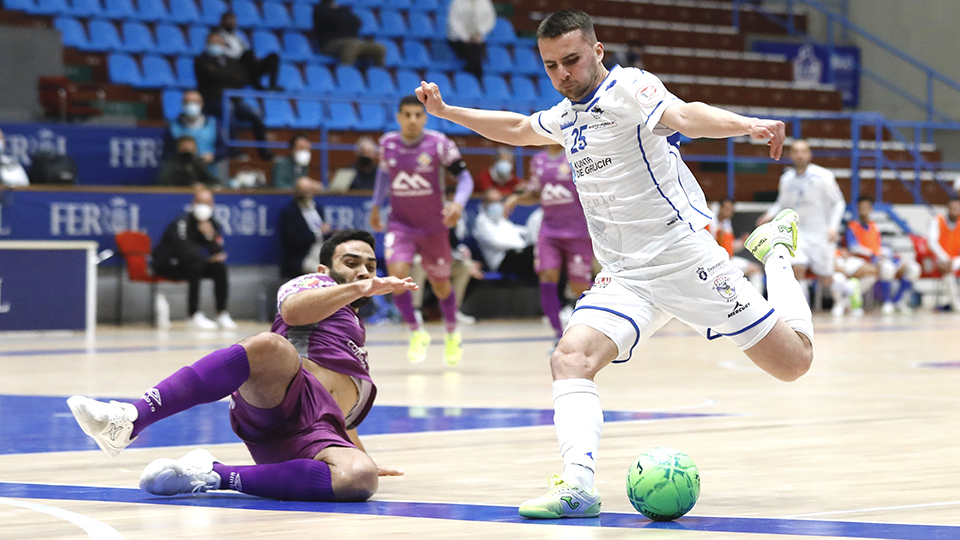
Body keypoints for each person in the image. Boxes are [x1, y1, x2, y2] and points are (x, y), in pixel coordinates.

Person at [415, 9, 812, 519]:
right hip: (625, 275)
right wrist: (448, 112)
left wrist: (748, 125)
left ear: (598, 52)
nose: (563, 75)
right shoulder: (567, 114)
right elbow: (516, 126)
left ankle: (776, 251)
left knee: (794, 363)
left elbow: (686, 116)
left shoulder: (631, 89)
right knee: (570, 357)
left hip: (681, 259)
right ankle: (577, 486)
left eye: (573, 61)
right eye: (552, 65)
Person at [66, 230, 414, 502]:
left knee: (359, 478)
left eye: (370, 265)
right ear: (324, 269)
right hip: (281, 400)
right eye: (351, 262)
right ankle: (130, 418)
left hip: (313, 432)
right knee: (268, 345)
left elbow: (340, 412)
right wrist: (359, 287)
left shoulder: (354, 327)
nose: (362, 271)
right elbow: (293, 311)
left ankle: (210, 474)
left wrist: (357, 456)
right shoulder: (313, 284)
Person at [369, 95, 474, 366]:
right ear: (399, 117)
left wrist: (458, 204)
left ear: (425, 117)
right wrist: (375, 206)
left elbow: (465, 177)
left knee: (441, 286)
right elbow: (383, 175)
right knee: (397, 276)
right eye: (408, 115)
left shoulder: (439, 144)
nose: (413, 120)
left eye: (418, 115)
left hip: (434, 227)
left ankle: (451, 332)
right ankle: (416, 332)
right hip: (400, 224)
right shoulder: (388, 144)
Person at [504, 144, 592, 344]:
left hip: (578, 232)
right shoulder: (538, 161)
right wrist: (516, 199)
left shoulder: (577, 155)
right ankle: (558, 335)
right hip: (549, 231)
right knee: (547, 275)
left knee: (580, 286)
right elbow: (536, 194)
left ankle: (609, 311)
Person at [758, 139, 845, 310]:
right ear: (790, 155)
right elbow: (781, 204)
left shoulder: (823, 176)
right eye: (795, 151)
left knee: (825, 278)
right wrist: (768, 215)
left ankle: (848, 289)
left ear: (809, 154)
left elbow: (839, 203)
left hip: (821, 234)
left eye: (803, 151)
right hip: (797, 235)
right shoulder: (786, 179)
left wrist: (833, 226)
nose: (799, 155)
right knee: (796, 268)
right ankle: (802, 311)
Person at [152, 187, 236, 329]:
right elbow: (184, 251)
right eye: (201, 202)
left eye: (208, 203)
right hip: (169, 264)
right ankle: (193, 315)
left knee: (219, 268)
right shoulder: (182, 222)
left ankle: (221, 313)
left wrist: (210, 237)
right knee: (195, 265)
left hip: (196, 264)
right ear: (193, 203)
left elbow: (218, 252)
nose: (204, 206)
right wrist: (207, 259)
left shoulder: (212, 224)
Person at [194, 32, 273, 161]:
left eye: (218, 43)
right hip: (212, 101)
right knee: (227, 108)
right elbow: (210, 77)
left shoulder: (232, 61)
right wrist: (228, 77)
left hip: (235, 101)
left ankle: (264, 151)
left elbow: (242, 78)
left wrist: (221, 75)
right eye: (212, 43)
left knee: (256, 113)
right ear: (206, 44)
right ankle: (232, 149)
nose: (215, 45)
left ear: (224, 45)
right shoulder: (201, 60)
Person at [845, 197, 920, 315]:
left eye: (867, 208)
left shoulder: (874, 226)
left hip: (880, 257)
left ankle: (898, 300)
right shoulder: (852, 226)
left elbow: (879, 244)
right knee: (887, 269)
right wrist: (872, 253)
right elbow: (853, 247)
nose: (864, 211)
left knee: (914, 269)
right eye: (862, 209)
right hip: (866, 260)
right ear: (857, 210)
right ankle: (887, 302)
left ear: (871, 210)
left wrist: (886, 252)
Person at [472, 191, 536, 278]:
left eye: (499, 201)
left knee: (539, 251)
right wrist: (523, 246)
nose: (496, 205)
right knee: (533, 252)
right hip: (500, 261)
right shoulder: (481, 221)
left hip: (516, 255)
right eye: (492, 202)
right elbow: (496, 242)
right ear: (484, 204)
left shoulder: (501, 220)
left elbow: (517, 231)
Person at [707, 199, 764, 294]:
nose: (728, 211)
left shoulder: (726, 224)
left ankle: (760, 300)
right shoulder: (710, 221)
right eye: (726, 208)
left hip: (728, 259)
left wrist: (742, 242)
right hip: (713, 261)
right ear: (720, 208)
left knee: (756, 269)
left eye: (730, 210)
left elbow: (729, 247)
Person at [279, 177, 330, 281]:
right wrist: (317, 233)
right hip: (303, 255)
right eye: (303, 190)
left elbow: (324, 232)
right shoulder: (290, 212)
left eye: (309, 190)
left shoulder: (318, 208)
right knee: (325, 275)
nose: (306, 193)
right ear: (297, 191)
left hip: (321, 251)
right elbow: (291, 239)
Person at [218, 12, 281, 91]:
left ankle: (272, 85)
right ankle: (255, 83)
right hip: (235, 66)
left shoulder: (238, 36)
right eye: (228, 20)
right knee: (248, 54)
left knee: (273, 57)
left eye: (233, 21)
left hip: (249, 66)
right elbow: (221, 53)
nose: (231, 23)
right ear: (222, 21)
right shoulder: (217, 36)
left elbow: (247, 48)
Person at [313, 0, 386, 67]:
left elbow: (357, 22)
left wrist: (342, 15)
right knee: (351, 45)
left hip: (352, 41)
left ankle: (377, 75)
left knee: (379, 48)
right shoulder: (319, 10)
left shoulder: (343, 9)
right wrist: (343, 16)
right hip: (329, 44)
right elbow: (335, 22)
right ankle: (345, 72)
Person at [165, 90, 221, 171]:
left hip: (208, 172)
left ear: (201, 104)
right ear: (182, 104)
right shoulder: (173, 126)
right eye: (187, 102)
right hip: (182, 173)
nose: (191, 105)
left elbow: (224, 149)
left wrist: (213, 156)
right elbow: (167, 153)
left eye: (195, 102)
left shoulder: (213, 124)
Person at [446, 0, 496, 80]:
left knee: (475, 55)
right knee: (472, 56)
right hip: (458, 39)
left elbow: (489, 20)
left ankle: (473, 80)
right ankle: (473, 80)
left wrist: (479, 33)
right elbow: (454, 22)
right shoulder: (457, 2)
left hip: (477, 39)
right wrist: (465, 37)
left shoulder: (485, 2)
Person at [927, 197, 960, 310]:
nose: (955, 209)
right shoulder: (937, 220)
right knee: (947, 270)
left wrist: (955, 261)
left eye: (957, 207)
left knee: (950, 267)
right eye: (953, 207)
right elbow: (932, 242)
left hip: (956, 260)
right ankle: (956, 304)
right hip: (940, 260)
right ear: (948, 207)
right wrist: (946, 258)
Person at [157, 136, 222, 187]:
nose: (187, 154)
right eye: (185, 149)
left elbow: (215, 182)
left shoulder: (198, 164)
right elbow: (163, 182)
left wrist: (203, 185)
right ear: (178, 149)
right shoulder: (172, 164)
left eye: (190, 150)